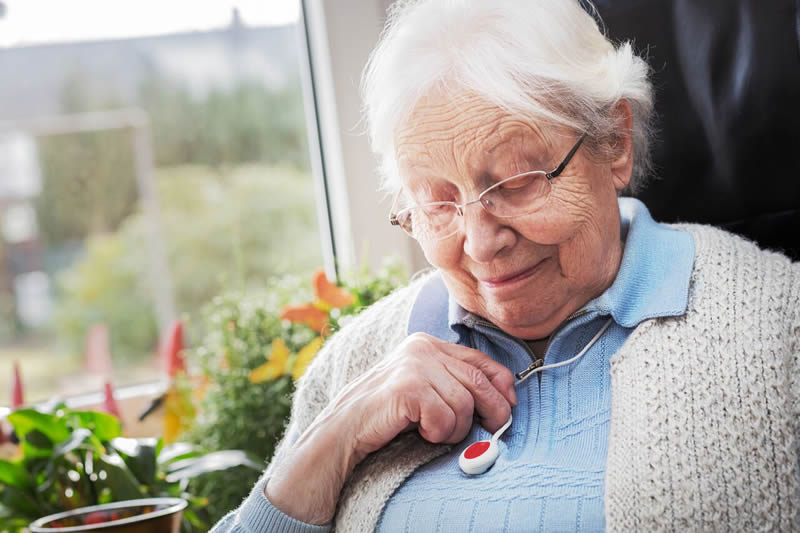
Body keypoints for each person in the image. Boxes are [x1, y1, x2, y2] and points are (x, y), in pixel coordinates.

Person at [211, 0, 800, 531]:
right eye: (437, 202)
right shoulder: (359, 359)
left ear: (614, 142)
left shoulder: (778, 325)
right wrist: (325, 449)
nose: (481, 243)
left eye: (517, 182)